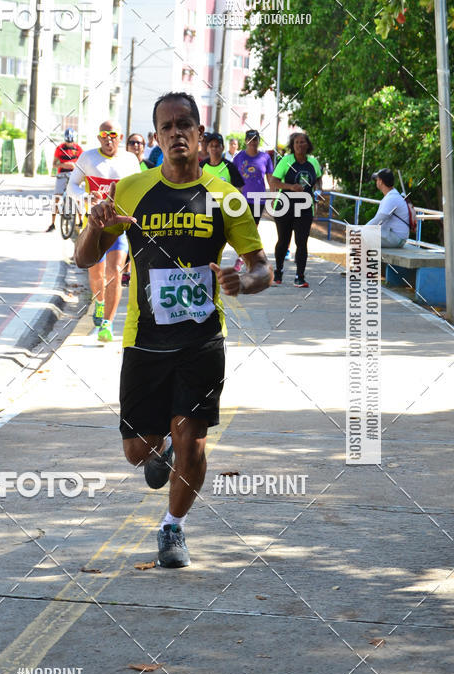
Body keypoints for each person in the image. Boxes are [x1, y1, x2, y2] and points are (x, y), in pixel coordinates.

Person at [74, 91, 272, 568]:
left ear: (200, 136)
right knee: (135, 450)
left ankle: (173, 528)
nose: (177, 133)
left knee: (195, 440)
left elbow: (261, 267)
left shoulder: (225, 198)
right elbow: (84, 258)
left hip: (202, 340)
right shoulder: (130, 189)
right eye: (168, 126)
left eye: (187, 124)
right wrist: (95, 225)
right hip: (145, 339)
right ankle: (157, 445)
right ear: (158, 137)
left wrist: (243, 282)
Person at [69, 120, 140, 342]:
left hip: (117, 225)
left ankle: (107, 324)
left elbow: (138, 189)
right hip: (94, 222)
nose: (109, 139)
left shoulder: (129, 160)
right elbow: (71, 185)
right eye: (104, 135)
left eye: (113, 135)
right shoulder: (88, 157)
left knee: (115, 271)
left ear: (120, 137)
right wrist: (85, 197)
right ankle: (99, 302)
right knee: (96, 273)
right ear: (99, 137)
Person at [270, 131, 321, 288]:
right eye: (297, 142)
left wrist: (319, 192)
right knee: (283, 241)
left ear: (308, 145)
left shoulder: (313, 162)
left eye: (303, 142)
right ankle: (278, 272)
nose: (300, 145)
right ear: (292, 145)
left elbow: (318, 179)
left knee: (302, 241)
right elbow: (274, 181)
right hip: (285, 205)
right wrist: (291, 187)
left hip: (305, 206)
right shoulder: (286, 160)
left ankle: (300, 276)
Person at [232, 130, 273, 225]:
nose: (252, 142)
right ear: (246, 141)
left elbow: (270, 179)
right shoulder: (238, 157)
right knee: (242, 225)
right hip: (242, 198)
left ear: (258, 141)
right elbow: (233, 178)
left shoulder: (265, 157)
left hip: (259, 199)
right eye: (250, 140)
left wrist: (273, 197)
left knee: (254, 225)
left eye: (255, 140)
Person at [46, 128, 82, 232]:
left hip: (75, 174)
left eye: (71, 142)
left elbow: (83, 164)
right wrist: (64, 164)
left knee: (78, 197)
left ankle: (80, 221)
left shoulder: (79, 149)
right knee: (57, 197)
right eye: (67, 141)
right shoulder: (59, 148)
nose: (69, 144)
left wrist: (74, 166)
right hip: (62, 173)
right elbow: (54, 164)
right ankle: (52, 223)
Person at [367, 168, 410, 246]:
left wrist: (362, 230)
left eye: (377, 179)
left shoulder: (391, 198)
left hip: (397, 238)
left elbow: (379, 219)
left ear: (380, 182)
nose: (376, 182)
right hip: (396, 236)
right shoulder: (392, 195)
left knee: (362, 236)